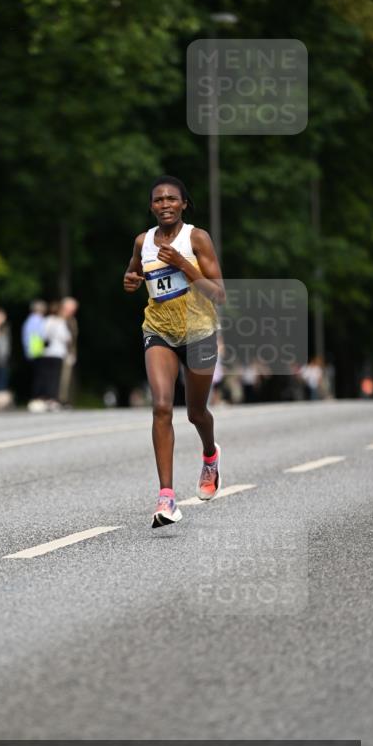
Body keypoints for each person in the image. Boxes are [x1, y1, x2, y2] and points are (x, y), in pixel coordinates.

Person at [123, 175, 226, 527]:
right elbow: (134, 274)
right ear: (151, 206)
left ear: (183, 204)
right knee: (162, 405)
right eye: (158, 200)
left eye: (171, 199)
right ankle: (166, 498)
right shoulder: (143, 241)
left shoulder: (196, 238)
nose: (165, 204)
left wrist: (184, 264)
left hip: (199, 330)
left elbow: (219, 293)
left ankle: (210, 455)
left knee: (196, 413)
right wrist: (130, 280)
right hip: (159, 330)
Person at [42, 301, 72, 410]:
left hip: (46, 352)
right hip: (58, 352)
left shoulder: (46, 321)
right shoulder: (60, 322)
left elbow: (42, 334)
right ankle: (53, 399)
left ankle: (46, 398)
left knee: (47, 376)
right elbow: (66, 337)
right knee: (55, 377)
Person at [22, 299, 47, 410]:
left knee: (36, 376)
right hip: (37, 351)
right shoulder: (37, 320)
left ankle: (35, 398)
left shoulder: (29, 320)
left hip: (32, 351)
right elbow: (42, 335)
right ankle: (36, 399)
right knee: (39, 377)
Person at [58, 297, 79, 406]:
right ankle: (59, 399)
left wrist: (72, 353)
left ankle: (64, 399)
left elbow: (73, 339)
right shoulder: (59, 319)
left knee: (66, 378)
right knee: (60, 377)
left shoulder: (72, 319)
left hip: (68, 353)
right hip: (59, 352)